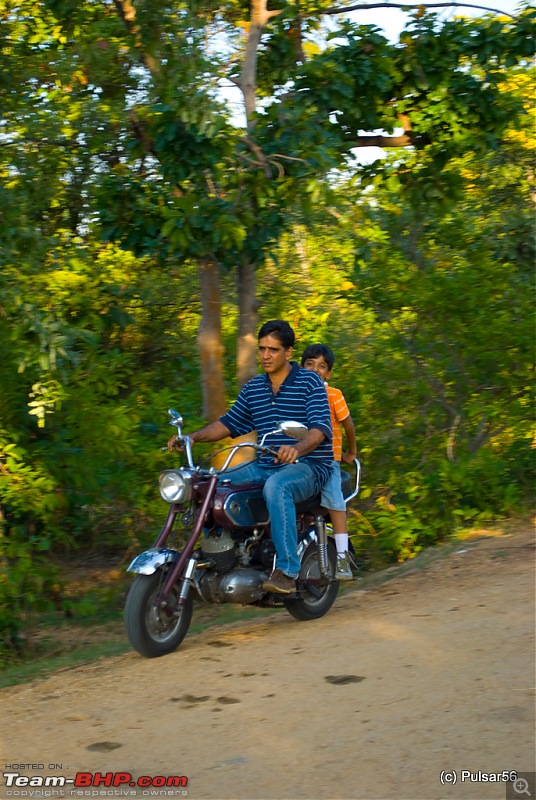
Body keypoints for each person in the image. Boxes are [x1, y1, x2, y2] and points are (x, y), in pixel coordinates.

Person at [168, 320, 334, 594]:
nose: (266, 355)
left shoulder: (310, 382)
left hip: (309, 466)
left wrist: (297, 448)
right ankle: (220, 556)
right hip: (265, 464)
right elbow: (228, 423)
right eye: (262, 349)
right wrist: (192, 437)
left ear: (288, 352)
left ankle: (288, 571)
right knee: (212, 483)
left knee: (277, 486)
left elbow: (320, 430)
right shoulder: (255, 387)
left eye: (273, 350)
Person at [301, 344, 357, 580]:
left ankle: (343, 557)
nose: (315, 370)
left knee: (334, 500)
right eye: (310, 364)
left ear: (328, 373)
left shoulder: (333, 395)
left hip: (327, 461)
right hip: (301, 461)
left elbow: (348, 425)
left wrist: (351, 452)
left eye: (321, 366)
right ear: (301, 368)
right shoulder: (295, 395)